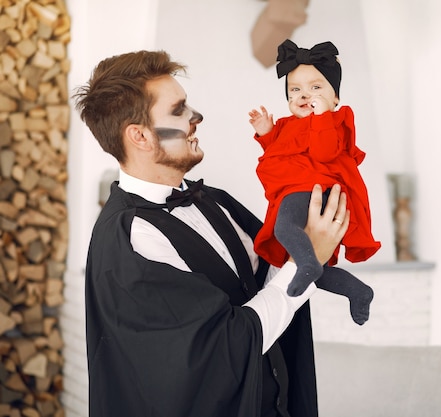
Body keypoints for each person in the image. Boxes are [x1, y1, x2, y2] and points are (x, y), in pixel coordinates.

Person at [74, 50, 350, 417]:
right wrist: (307, 260)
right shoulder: (133, 240)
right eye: (178, 111)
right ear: (139, 136)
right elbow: (227, 344)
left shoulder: (215, 202)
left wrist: (306, 227)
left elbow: (265, 280)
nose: (195, 117)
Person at [248, 40, 381, 325]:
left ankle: (308, 264)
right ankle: (357, 290)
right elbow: (279, 155)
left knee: (287, 230)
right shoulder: (286, 124)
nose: (304, 95)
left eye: (316, 88)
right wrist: (266, 133)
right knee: (302, 264)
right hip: (295, 189)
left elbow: (324, 152)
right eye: (295, 90)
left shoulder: (335, 120)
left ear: (335, 98)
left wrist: (321, 117)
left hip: (313, 190)